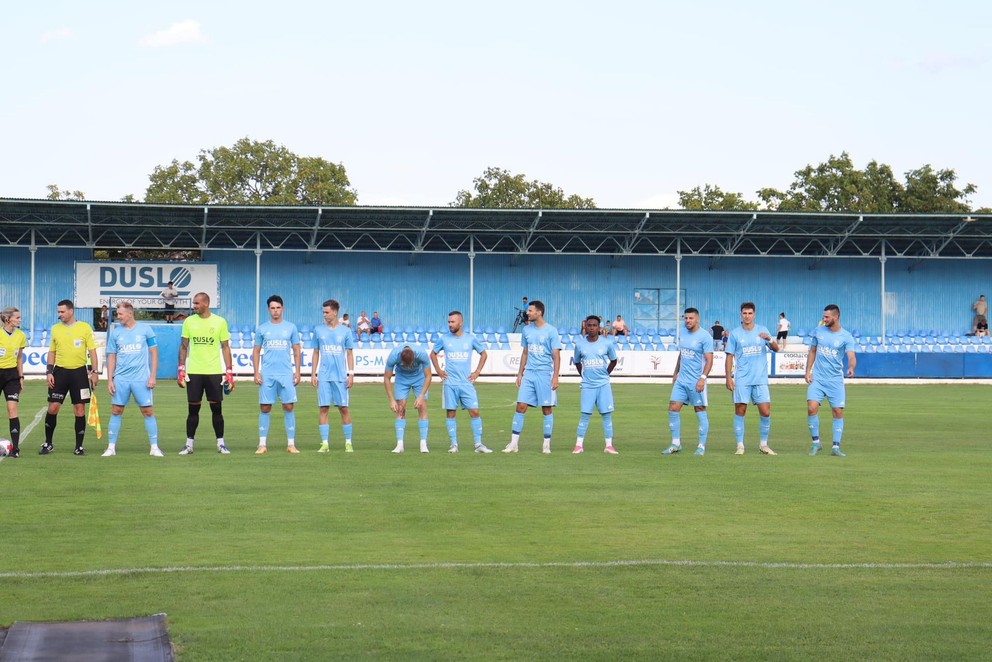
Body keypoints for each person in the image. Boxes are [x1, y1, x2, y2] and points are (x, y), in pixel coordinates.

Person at [177, 292, 234, 455]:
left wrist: (229, 371)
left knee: (217, 409)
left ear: (206, 304)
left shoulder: (220, 322)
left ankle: (221, 444)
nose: (193, 306)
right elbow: (183, 346)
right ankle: (189, 444)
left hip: (214, 372)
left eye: (196, 303)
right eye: (193, 303)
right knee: (192, 410)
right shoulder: (188, 321)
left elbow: (225, 347)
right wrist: (181, 368)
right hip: (194, 372)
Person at [103, 301, 161, 457]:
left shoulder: (145, 330)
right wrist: (110, 380)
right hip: (121, 379)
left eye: (120, 314)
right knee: (116, 411)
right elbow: (111, 357)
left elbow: (154, 353)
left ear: (130, 313)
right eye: (117, 314)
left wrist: (153, 376)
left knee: (148, 412)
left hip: (141, 379)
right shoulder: (115, 332)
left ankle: (154, 447)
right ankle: (111, 447)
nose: (118, 316)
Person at [41, 299, 99, 455]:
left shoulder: (84, 327)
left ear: (71, 311)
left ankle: (79, 447)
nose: (59, 314)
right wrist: (49, 372)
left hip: (79, 374)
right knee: (53, 408)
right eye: (58, 312)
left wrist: (95, 372)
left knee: (79, 410)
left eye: (62, 312)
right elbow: (52, 352)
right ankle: (48, 443)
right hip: (60, 373)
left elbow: (92, 351)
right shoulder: (55, 329)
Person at [503, 300, 561, 454]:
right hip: (529, 374)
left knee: (546, 409)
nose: (527, 313)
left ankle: (546, 444)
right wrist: (520, 373)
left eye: (530, 310)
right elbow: (525, 352)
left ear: (539, 312)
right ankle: (514, 444)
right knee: (520, 406)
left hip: (544, 374)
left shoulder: (551, 331)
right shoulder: (527, 330)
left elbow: (556, 355)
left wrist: (555, 377)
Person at [429, 310, 492, 454]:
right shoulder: (444, 339)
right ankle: (453, 445)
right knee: (451, 413)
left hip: (466, 383)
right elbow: (432, 354)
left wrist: (476, 372)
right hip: (450, 383)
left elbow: (484, 354)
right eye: (449, 322)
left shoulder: (470, 339)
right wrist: (438, 370)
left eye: (452, 322)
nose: (450, 324)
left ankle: (478, 444)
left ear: (460, 322)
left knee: (475, 411)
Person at [725, 302, 779, 456]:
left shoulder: (762, 331)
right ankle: (740, 445)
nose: (747, 316)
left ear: (754, 314)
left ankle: (764, 444)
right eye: (744, 313)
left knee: (765, 412)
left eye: (750, 313)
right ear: (740, 315)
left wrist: (769, 339)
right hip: (742, 379)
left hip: (760, 379)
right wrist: (728, 377)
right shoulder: (735, 334)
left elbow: (776, 349)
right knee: (740, 410)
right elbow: (729, 356)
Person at [805, 304, 857, 457]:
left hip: (835, 381)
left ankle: (835, 447)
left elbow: (851, 357)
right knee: (811, 407)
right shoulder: (818, 330)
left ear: (836, 317)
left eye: (827, 317)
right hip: (818, 379)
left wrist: (851, 368)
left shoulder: (846, 336)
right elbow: (813, 350)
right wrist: (808, 371)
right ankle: (816, 443)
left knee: (837, 411)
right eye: (824, 316)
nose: (824, 319)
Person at [252, 295, 302, 454]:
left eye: (278, 308)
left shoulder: (291, 327)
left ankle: (291, 444)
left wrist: (298, 372)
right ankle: (262, 444)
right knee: (265, 407)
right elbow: (256, 350)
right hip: (268, 374)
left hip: (286, 373)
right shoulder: (262, 328)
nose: (275, 311)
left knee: (288, 406)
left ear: (283, 308)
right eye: (272, 308)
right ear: (268, 310)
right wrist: (256, 372)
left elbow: (296, 350)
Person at [663, 307, 714, 456]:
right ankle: (675, 444)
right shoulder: (683, 333)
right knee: (673, 408)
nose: (688, 321)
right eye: (686, 318)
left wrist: (702, 379)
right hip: (682, 380)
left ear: (697, 319)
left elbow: (709, 360)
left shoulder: (705, 336)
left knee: (699, 410)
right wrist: (675, 372)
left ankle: (701, 446)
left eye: (691, 318)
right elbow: (682, 354)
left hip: (696, 381)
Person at [311, 299, 355, 453]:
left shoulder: (345, 331)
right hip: (323, 376)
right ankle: (324, 444)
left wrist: (351, 374)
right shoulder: (318, 330)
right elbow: (316, 352)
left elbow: (349, 353)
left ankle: (348, 443)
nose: (324, 315)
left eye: (327, 312)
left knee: (343, 408)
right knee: (323, 408)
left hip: (340, 376)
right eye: (323, 312)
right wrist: (313, 373)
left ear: (335, 312)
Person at [572, 315, 618, 455]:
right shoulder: (580, 344)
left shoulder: (607, 343)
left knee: (606, 414)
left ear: (599, 327)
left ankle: (609, 446)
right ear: (585, 327)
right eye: (589, 325)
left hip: (603, 385)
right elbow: (577, 362)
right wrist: (583, 376)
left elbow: (614, 360)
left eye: (594, 325)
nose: (591, 328)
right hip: (588, 385)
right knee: (585, 414)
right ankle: (579, 445)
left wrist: (606, 374)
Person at [384, 344, 432, 453]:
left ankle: (423, 444)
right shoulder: (393, 355)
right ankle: (400, 444)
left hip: (419, 377)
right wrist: (391, 399)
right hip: (402, 378)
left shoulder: (421, 354)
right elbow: (387, 378)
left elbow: (428, 376)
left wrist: (421, 396)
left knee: (422, 407)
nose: (409, 366)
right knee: (400, 408)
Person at [0, 307, 27, 457]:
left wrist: (21, 377)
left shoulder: (21, 336)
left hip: (12, 376)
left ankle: (15, 449)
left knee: (12, 409)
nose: (20, 320)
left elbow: (19, 358)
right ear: (7, 319)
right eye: (17, 317)